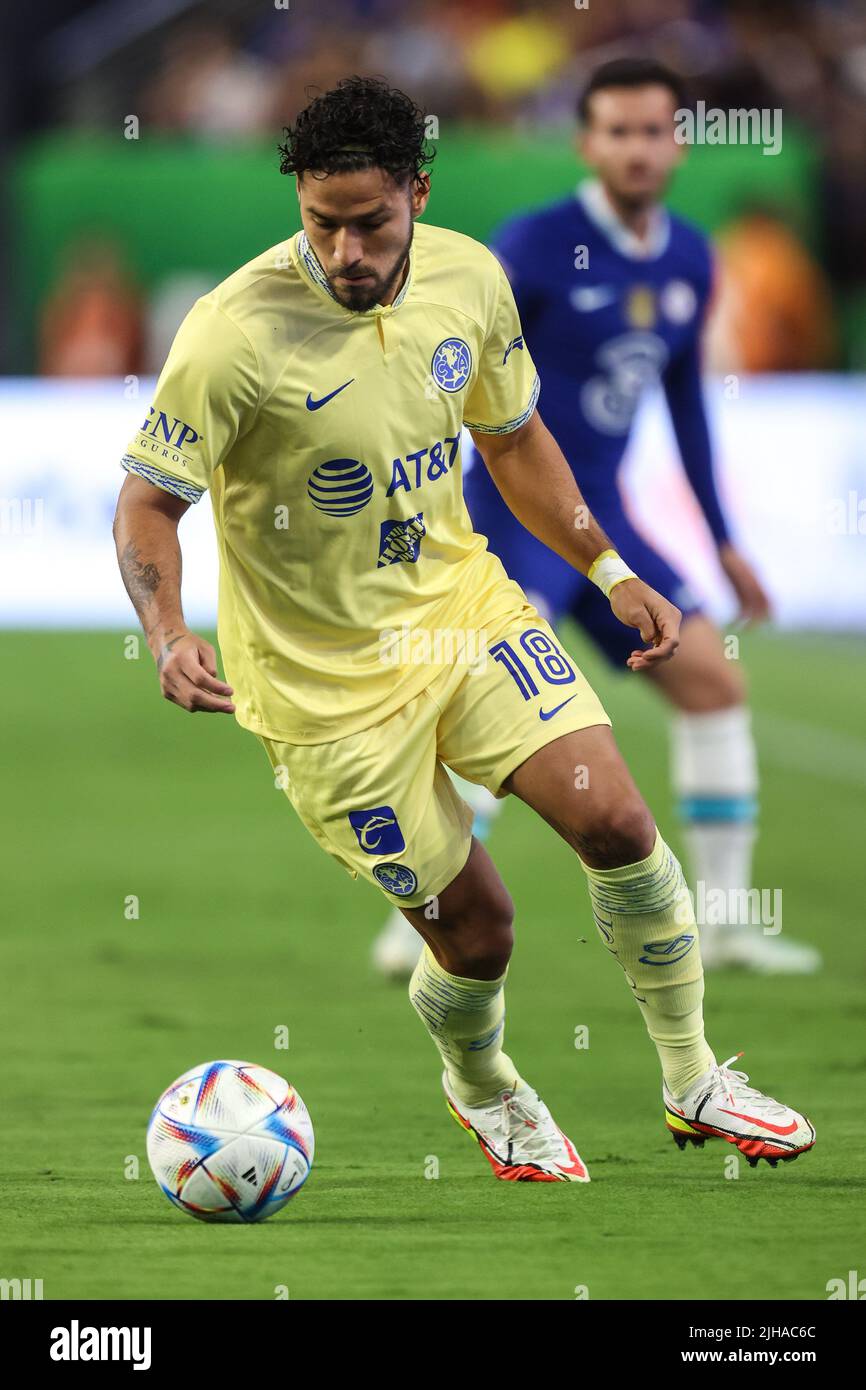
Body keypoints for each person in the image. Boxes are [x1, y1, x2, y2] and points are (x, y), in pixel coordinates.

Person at [113, 76, 814, 1181]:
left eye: (370, 222)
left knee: (619, 822)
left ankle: (691, 1080)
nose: (345, 250)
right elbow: (148, 503)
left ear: (417, 195)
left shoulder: (469, 276)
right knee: (477, 931)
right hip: (322, 691)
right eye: (321, 223)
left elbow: (515, 437)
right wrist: (165, 630)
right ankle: (485, 1088)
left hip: (461, 611)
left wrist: (608, 564)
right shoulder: (230, 335)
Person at [377, 58, 820, 980]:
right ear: (586, 143)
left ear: (679, 143)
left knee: (714, 686)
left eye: (653, 131)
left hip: (610, 520)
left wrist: (724, 542)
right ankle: (417, 921)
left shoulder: (694, 256)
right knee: (490, 707)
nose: (636, 149)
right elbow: (455, 381)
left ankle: (731, 923)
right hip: (513, 517)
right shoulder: (533, 246)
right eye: (617, 132)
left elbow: (687, 405)